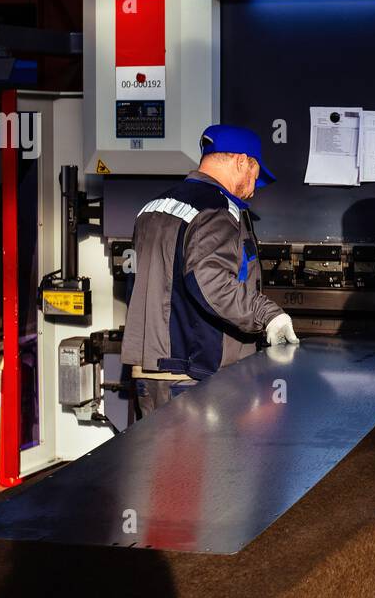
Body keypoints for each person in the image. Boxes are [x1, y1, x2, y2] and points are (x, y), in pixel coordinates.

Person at [122, 124, 298, 418]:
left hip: (150, 372)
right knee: (204, 465)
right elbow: (210, 281)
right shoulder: (216, 209)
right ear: (242, 161)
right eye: (255, 175)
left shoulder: (154, 206)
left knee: (155, 463)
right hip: (189, 374)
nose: (254, 189)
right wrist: (268, 315)